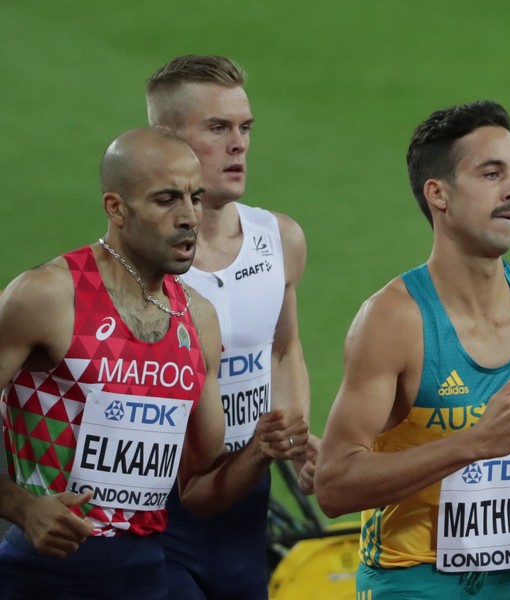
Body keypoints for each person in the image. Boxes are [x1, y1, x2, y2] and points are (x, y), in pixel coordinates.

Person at [0, 127, 309, 599]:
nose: (189, 217)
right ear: (116, 208)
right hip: (41, 576)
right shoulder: (48, 296)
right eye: (167, 200)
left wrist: (259, 449)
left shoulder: (198, 319)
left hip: (143, 574)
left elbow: (200, 489)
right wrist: (23, 507)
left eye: (195, 198)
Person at [316, 100, 510, 599]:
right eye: (491, 174)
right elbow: (334, 484)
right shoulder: (394, 320)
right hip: (412, 581)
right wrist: (472, 444)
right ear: (438, 194)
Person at [145, 54, 316, 600]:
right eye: (218, 128)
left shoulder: (279, 239)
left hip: (246, 511)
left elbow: (282, 350)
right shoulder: (137, 267)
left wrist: (293, 433)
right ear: (165, 141)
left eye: (245, 128)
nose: (238, 144)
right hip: (158, 520)